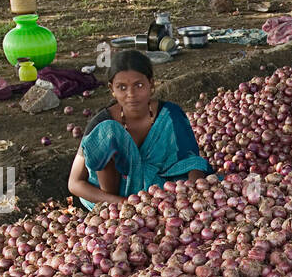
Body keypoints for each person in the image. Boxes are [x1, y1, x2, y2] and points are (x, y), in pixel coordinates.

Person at [67, 49, 212, 210]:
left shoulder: (170, 115)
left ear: (151, 84)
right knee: (108, 130)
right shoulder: (102, 123)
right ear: (111, 89)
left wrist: (193, 193)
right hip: (112, 200)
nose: (131, 94)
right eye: (122, 87)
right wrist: (122, 204)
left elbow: (191, 161)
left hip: (161, 188)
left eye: (139, 85)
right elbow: (74, 183)